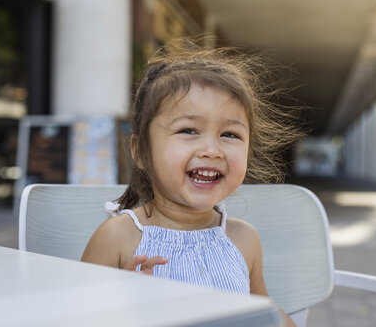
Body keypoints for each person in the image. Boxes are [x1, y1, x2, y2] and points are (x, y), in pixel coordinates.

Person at [81, 38, 303, 326]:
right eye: (188, 130)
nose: (212, 149)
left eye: (230, 135)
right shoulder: (118, 238)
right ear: (141, 152)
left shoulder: (243, 240)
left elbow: (268, 316)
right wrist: (125, 306)